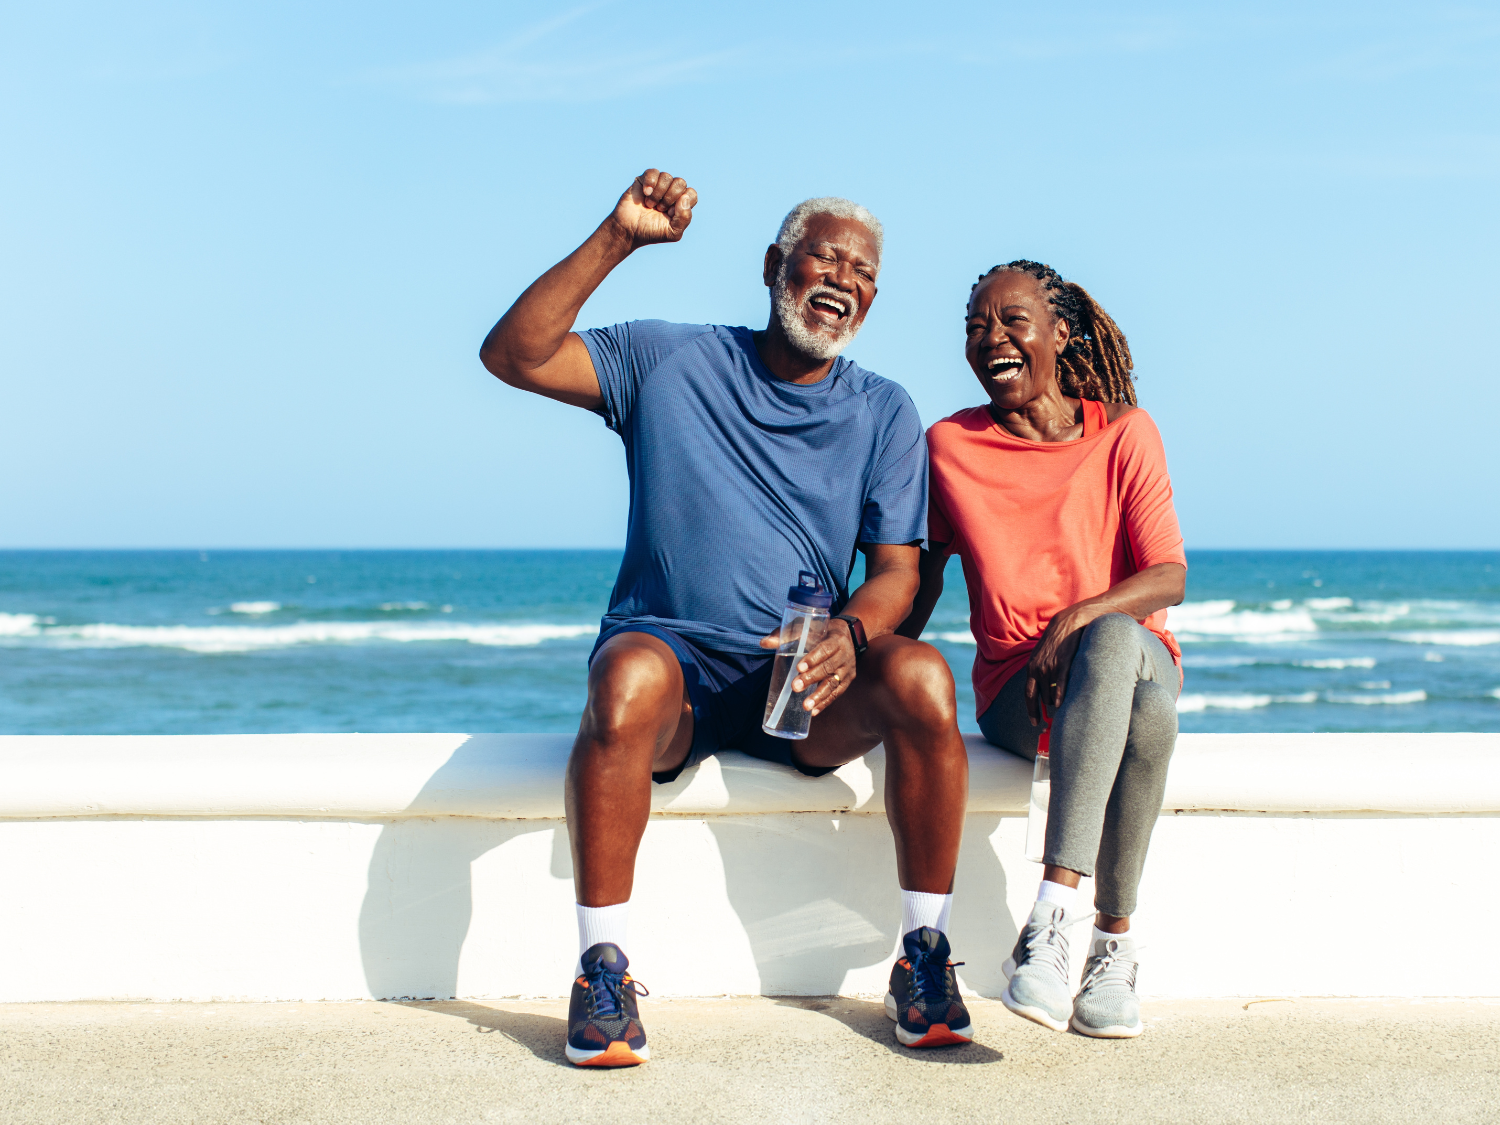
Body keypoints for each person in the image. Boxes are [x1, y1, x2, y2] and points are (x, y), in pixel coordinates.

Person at [479, 169, 972, 1066]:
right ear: (775, 265)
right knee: (624, 679)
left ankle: (924, 956)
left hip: (803, 687)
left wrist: (850, 634)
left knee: (925, 677)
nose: (844, 279)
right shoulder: (668, 360)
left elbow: (898, 572)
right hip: (677, 674)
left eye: (864, 272)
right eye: (825, 257)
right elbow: (514, 355)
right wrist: (618, 238)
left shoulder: (883, 410)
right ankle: (601, 973)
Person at [899, 260, 1186, 1039]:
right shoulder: (950, 446)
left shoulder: (1125, 431)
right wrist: (863, 666)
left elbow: (1168, 574)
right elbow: (918, 582)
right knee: (1152, 717)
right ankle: (1113, 946)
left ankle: (1051, 918)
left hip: (1130, 653)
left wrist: (1074, 621)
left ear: (1059, 333)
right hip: (1019, 693)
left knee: (1114, 639)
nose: (991, 338)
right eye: (975, 327)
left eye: (1012, 320)